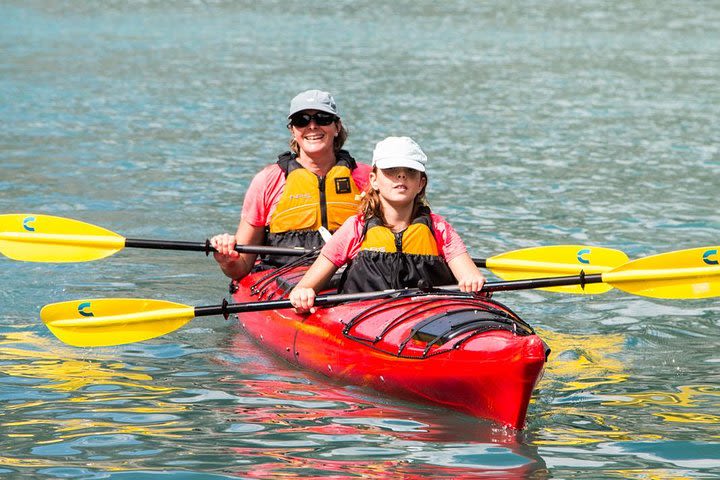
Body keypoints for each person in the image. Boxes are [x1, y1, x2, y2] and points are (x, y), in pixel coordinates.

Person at [289, 136, 486, 312]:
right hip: (363, 319)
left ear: (421, 183)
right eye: (391, 170)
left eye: (410, 171)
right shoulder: (355, 228)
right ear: (374, 180)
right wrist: (303, 295)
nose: (401, 176)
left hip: (426, 317)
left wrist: (472, 281)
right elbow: (306, 286)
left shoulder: (439, 228)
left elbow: (469, 275)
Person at [211, 89, 371, 280]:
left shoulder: (369, 179)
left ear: (337, 127)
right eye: (301, 120)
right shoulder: (268, 181)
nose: (312, 126)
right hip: (284, 283)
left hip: (353, 281)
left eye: (322, 118)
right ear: (293, 130)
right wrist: (227, 260)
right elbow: (241, 268)